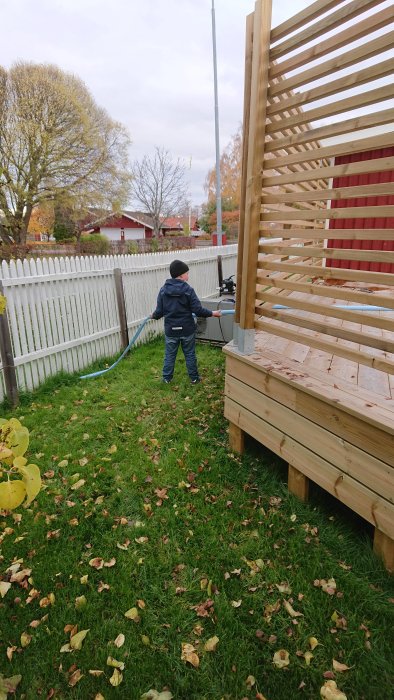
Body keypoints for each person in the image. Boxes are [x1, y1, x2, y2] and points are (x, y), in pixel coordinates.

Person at [151, 259, 221, 384]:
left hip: (171, 330)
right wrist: (212, 313)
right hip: (187, 330)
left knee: (169, 355)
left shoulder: (163, 290)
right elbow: (197, 310)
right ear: (181, 275)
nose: (188, 277)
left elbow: (159, 311)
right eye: (187, 274)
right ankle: (194, 378)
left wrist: (153, 316)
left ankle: (166, 379)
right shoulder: (188, 290)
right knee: (189, 354)